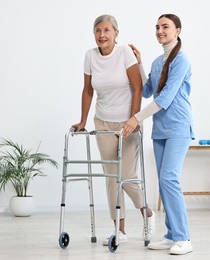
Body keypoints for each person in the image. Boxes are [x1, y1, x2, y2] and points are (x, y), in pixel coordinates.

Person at [72, 14, 155, 246]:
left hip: (127, 123)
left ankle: (146, 212)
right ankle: (120, 231)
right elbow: (87, 90)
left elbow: (138, 88)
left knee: (126, 176)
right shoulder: (90, 56)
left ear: (116, 33)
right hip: (103, 122)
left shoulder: (125, 53)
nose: (102, 35)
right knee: (111, 177)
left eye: (107, 30)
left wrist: (135, 119)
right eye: (98, 30)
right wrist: (82, 121)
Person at [122, 14, 194, 255]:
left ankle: (184, 237)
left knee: (170, 178)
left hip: (179, 127)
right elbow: (148, 90)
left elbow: (165, 98)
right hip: (161, 129)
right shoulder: (156, 61)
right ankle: (171, 234)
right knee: (164, 183)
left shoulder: (181, 60)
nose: (160, 30)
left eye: (165, 26)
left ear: (177, 30)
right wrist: (141, 62)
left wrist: (136, 118)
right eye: (157, 27)